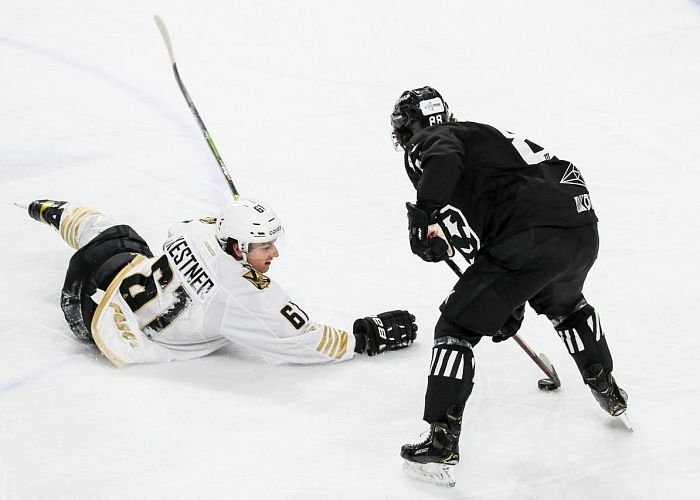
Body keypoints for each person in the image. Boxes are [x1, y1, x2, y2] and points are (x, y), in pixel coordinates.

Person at [390, 86, 628, 487]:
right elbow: (495, 239)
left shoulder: (433, 139)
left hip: (528, 234)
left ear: (406, 127)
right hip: (579, 228)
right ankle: (607, 386)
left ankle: (441, 439)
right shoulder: (483, 137)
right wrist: (506, 301)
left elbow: (443, 159)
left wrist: (423, 214)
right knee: (567, 305)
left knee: (455, 327)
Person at [23, 198, 417, 366]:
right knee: (120, 242)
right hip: (106, 332)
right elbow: (304, 340)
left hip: (103, 281)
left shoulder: (197, 232)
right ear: (239, 247)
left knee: (112, 233)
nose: (274, 254)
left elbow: (180, 228)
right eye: (264, 246)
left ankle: (56, 211)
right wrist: (365, 338)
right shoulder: (244, 297)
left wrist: (233, 220)